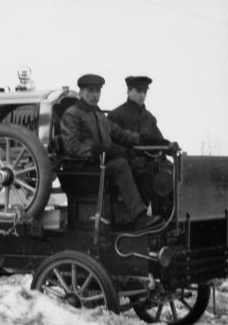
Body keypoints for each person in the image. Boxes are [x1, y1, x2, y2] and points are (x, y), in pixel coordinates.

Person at [60, 74, 162, 230]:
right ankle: (139, 217)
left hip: (98, 166)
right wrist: (99, 151)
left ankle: (130, 219)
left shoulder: (99, 115)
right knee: (120, 165)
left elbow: (120, 134)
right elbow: (72, 147)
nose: (95, 95)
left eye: (97, 91)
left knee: (141, 167)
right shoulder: (72, 114)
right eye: (90, 91)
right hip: (82, 169)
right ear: (80, 92)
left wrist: (147, 140)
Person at [109, 76, 178, 204]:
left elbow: (158, 139)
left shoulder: (150, 118)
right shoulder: (116, 115)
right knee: (147, 173)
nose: (142, 95)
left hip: (151, 162)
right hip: (130, 163)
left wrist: (169, 146)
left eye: (145, 91)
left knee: (174, 171)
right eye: (138, 91)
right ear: (129, 91)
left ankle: (170, 211)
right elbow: (113, 144)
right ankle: (147, 212)